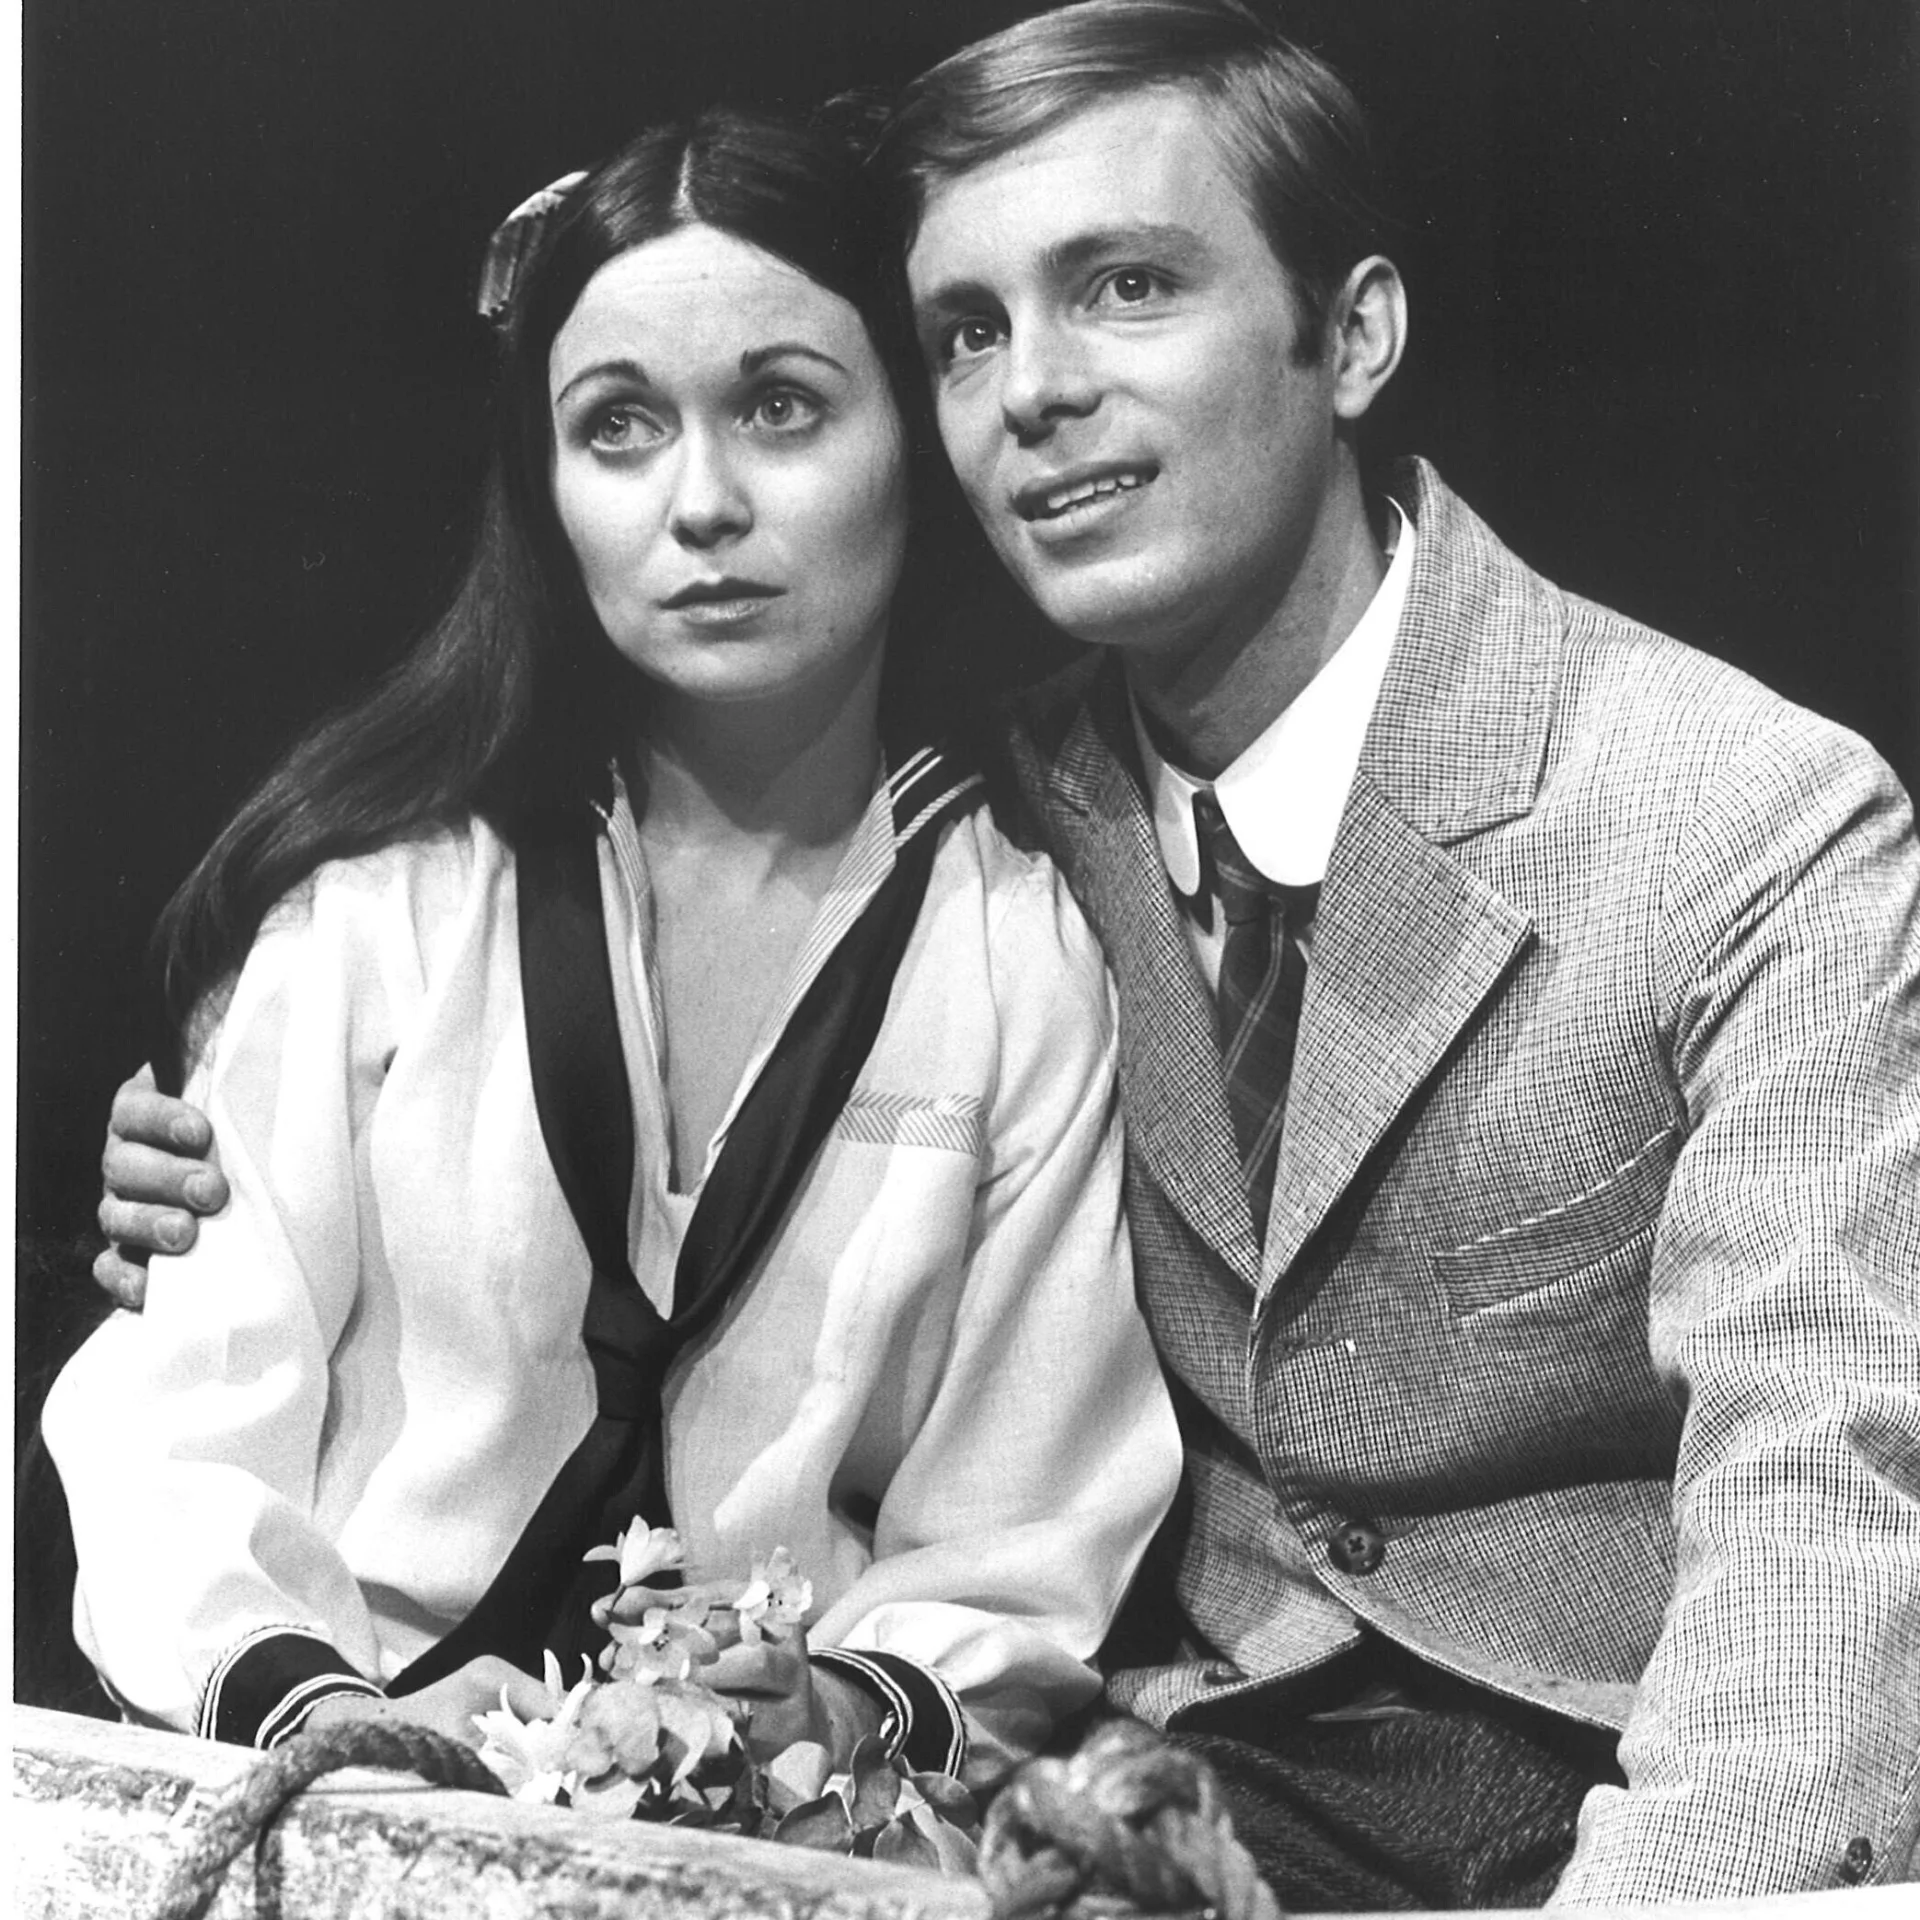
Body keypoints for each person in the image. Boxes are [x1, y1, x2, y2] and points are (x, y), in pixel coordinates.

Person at [92, 0, 1920, 1904]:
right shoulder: (1011, 815)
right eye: (968, 329)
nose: (1034, 391)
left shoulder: (1745, 822)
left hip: (1624, 1788)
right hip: (1170, 1780)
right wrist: (196, 1166)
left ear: (1354, 333)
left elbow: (1837, 1494)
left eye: (1127, 286)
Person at [45, 104, 1181, 1789]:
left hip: (778, 1825)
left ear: (912, 439)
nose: (702, 503)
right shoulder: (382, 907)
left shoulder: (1020, 954)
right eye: (620, 427)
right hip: (344, 1768)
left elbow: (1029, 1515)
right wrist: (331, 1717)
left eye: (781, 408)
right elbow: (181, 1433)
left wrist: (834, 1710)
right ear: (550, 483)